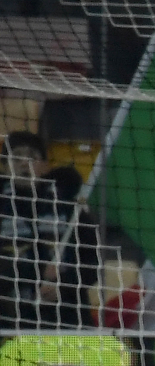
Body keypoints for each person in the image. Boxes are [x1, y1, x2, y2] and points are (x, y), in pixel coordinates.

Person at [0, 130, 96, 328]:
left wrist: (62, 285)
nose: (24, 164)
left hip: (70, 317)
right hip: (13, 317)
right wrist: (38, 274)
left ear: (45, 165)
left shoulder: (70, 208)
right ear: (5, 166)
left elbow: (91, 265)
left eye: (32, 157)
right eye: (16, 157)